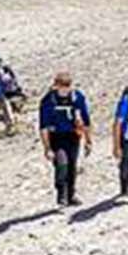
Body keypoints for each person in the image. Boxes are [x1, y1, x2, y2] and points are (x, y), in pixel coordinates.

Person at [36, 71, 92, 206]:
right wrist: (47, 148)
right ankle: (61, 193)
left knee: (72, 166)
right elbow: (43, 126)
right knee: (62, 164)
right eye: (63, 85)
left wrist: (88, 140)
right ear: (56, 86)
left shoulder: (77, 97)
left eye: (68, 85)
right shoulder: (48, 100)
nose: (66, 88)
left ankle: (71, 195)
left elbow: (86, 120)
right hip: (56, 136)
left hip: (73, 135)